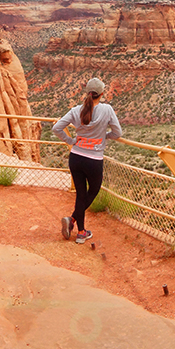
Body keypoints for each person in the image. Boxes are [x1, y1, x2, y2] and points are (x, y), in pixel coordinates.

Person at [52, 77, 122, 244]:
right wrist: (104, 137)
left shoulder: (76, 110)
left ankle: (78, 227)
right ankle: (76, 225)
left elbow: (57, 128)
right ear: (102, 94)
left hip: (76, 157)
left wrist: (70, 141)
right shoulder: (107, 109)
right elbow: (118, 133)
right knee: (93, 190)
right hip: (93, 159)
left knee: (80, 194)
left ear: (87, 93)